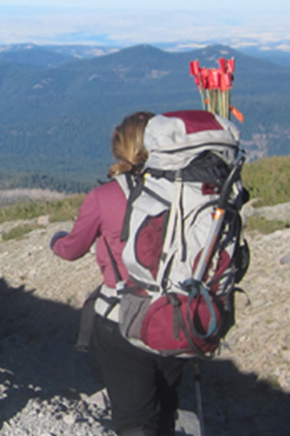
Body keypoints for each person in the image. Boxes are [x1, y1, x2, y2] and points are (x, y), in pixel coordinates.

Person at [50, 112, 187, 436]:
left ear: (118, 147)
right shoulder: (183, 194)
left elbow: (72, 250)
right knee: (165, 410)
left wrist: (55, 241)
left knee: (134, 420)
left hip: (123, 318)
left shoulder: (104, 197)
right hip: (174, 316)